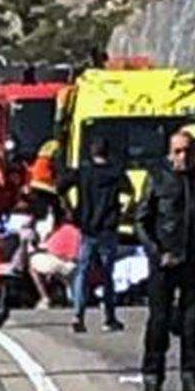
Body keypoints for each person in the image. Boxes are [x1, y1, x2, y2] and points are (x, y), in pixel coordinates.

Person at [136, 130, 195, 391]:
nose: (182, 157)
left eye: (187, 151)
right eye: (177, 151)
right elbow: (141, 221)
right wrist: (156, 252)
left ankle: (191, 375)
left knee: (192, 322)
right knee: (159, 321)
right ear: (169, 153)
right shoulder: (157, 178)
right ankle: (152, 373)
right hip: (164, 262)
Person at [59, 136, 132, 333]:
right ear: (108, 152)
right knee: (107, 274)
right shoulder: (116, 173)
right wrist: (121, 213)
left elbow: (59, 187)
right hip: (108, 227)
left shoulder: (83, 172)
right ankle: (109, 318)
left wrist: (70, 209)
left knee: (82, 271)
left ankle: (78, 315)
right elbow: (129, 194)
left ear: (91, 152)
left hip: (87, 226)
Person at [26, 219, 81, 308]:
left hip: (63, 263)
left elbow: (51, 249)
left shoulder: (63, 230)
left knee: (33, 265)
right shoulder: (80, 231)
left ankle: (45, 297)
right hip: (76, 264)